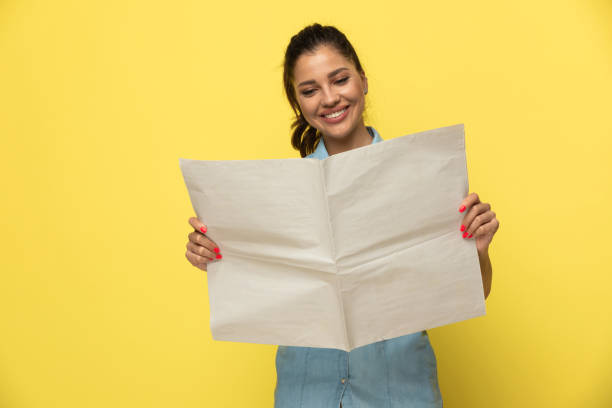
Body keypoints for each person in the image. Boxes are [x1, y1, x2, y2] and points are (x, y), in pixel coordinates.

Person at [185, 23, 499, 408]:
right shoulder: (272, 197)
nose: (330, 98)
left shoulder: (422, 176)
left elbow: (473, 292)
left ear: (363, 80)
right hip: (306, 393)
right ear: (297, 102)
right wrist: (216, 255)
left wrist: (478, 251)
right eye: (310, 90)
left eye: (339, 80)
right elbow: (252, 286)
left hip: (399, 393)